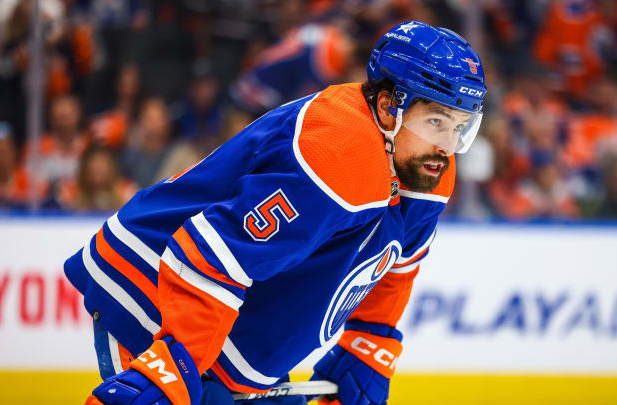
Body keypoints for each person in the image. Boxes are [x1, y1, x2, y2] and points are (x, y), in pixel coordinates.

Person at [63, 20, 487, 405]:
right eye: (436, 121)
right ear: (388, 107)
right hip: (149, 290)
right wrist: (174, 362)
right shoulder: (340, 154)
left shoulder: (428, 166)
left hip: (229, 326)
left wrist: (369, 341)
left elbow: (397, 262)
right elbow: (212, 253)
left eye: (460, 126)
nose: (448, 146)